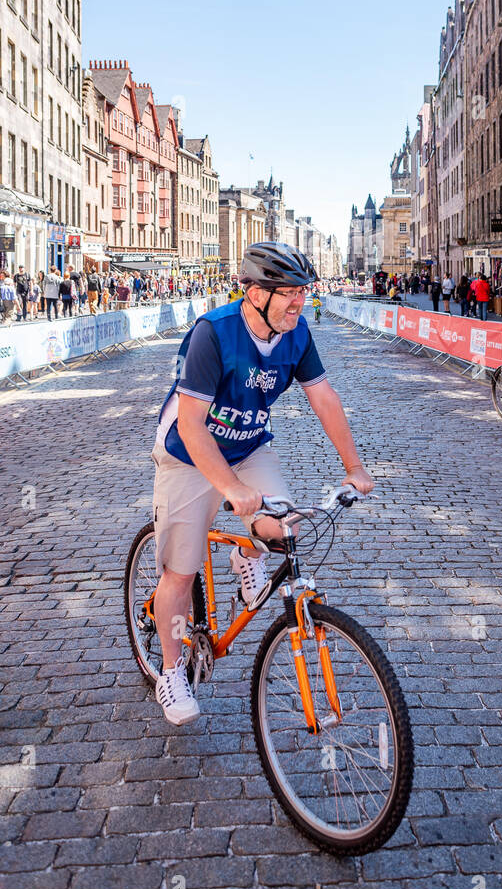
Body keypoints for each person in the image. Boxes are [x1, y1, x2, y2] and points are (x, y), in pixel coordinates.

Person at [150, 241, 374, 727]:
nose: (299, 301)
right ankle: (170, 671)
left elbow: (324, 397)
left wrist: (354, 468)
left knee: (284, 524)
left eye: (303, 291)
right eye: (287, 292)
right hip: (190, 452)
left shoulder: (297, 333)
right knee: (181, 573)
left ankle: (244, 555)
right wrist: (229, 489)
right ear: (252, 293)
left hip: (248, 445)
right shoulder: (215, 334)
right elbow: (191, 424)